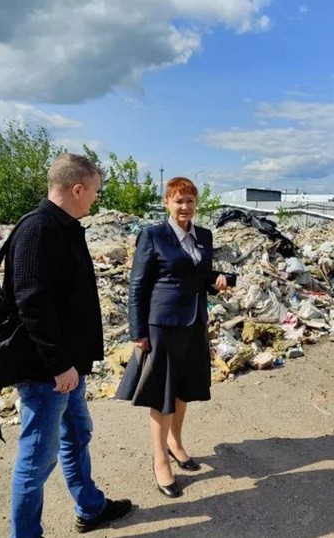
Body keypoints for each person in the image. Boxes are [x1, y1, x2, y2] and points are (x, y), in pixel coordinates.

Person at [5, 154, 132, 537]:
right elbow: (31, 301)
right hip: (49, 372)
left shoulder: (65, 227)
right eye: (94, 191)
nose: (96, 199)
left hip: (69, 369)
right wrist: (59, 365)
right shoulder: (40, 229)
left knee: (77, 435)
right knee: (35, 460)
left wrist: (72, 365)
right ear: (77, 189)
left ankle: (90, 507)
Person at [121, 177, 230, 498]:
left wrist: (218, 281)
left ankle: (175, 443)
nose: (185, 207)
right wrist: (137, 332)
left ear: (197, 205)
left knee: (183, 390)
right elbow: (137, 287)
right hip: (162, 325)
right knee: (162, 394)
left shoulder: (204, 237)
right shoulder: (153, 236)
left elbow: (200, 277)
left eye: (190, 202)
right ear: (167, 203)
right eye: (178, 201)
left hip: (194, 323)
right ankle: (159, 461)